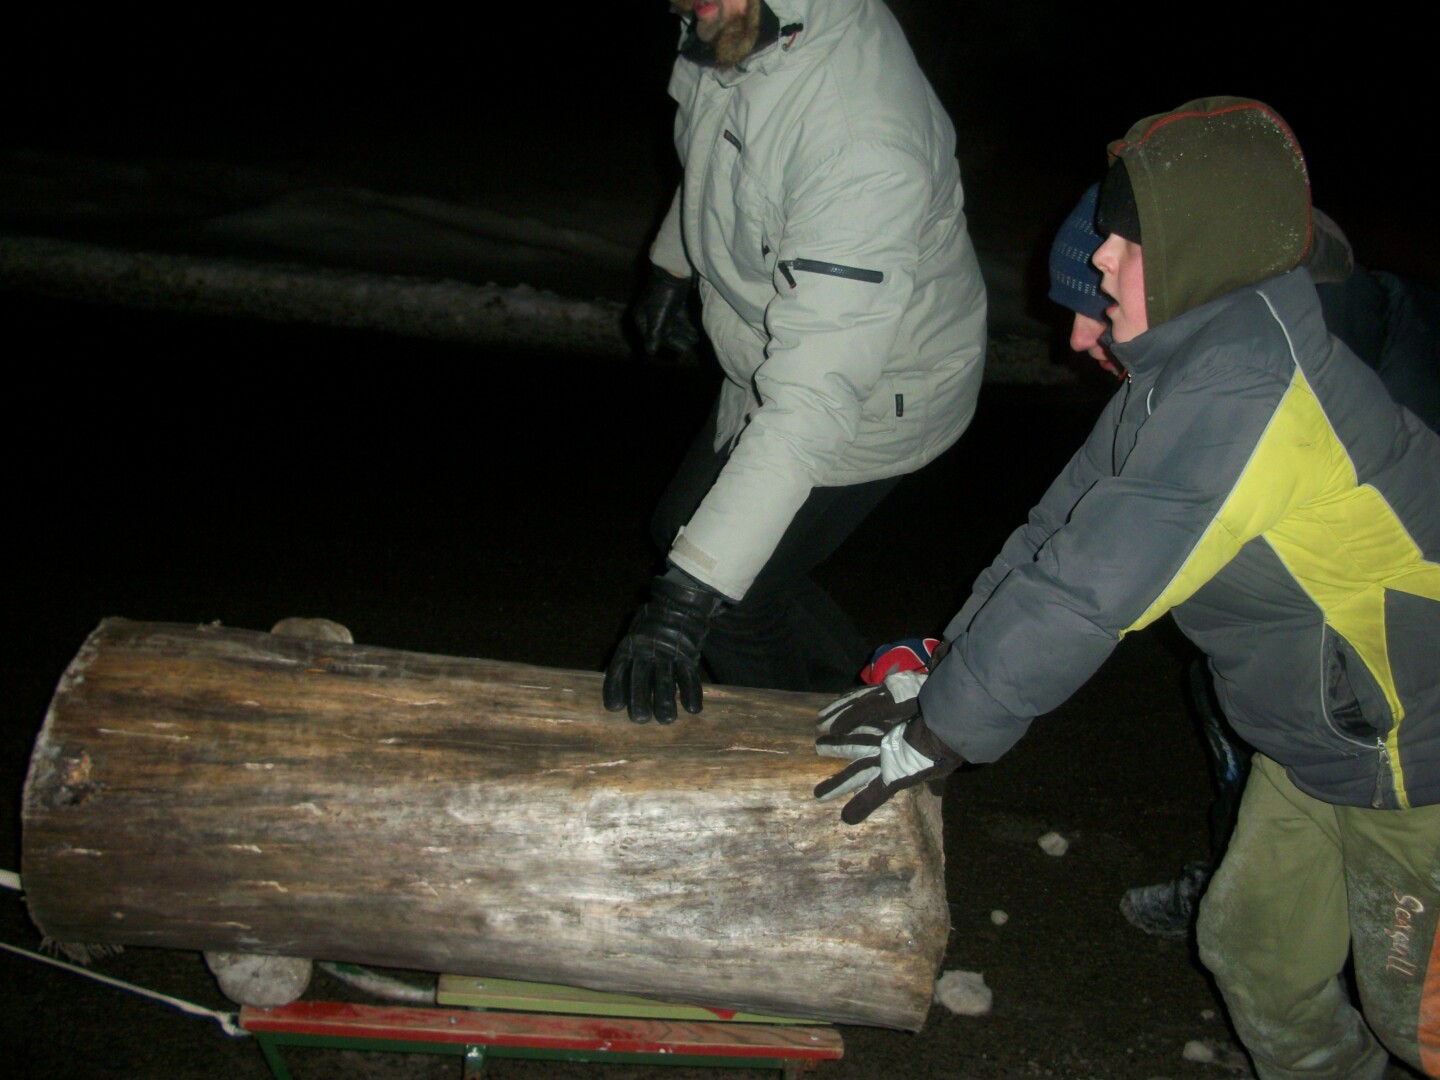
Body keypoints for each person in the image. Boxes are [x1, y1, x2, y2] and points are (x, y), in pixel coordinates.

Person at [814, 97, 1440, 1079]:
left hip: (1416, 753)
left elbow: (1092, 591)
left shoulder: (1253, 392)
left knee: (1422, 1019)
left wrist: (944, 737)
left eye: (1124, 240)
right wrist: (936, 674)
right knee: (1256, 960)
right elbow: (1056, 536)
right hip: (1315, 743)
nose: (1100, 262)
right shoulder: (1187, 370)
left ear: (1201, 249)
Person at [1046, 183, 1440, 940]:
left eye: (1094, 294)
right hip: (1333, 642)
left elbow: (1110, 577)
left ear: (1177, 273)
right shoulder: (1240, 326)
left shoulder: (1299, 368)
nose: (1074, 337)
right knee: (1241, 673)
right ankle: (1256, 886)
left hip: (1408, 699)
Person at [600, 0, 987, 724]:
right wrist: (675, 265)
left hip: (874, 389)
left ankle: (816, 744)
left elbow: (811, 400)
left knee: (727, 598)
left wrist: (685, 606)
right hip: (778, 348)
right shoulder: (746, 22)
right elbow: (727, 143)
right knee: (688, 538)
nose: (687, 5)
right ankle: (879, 692)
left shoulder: (861, 139)